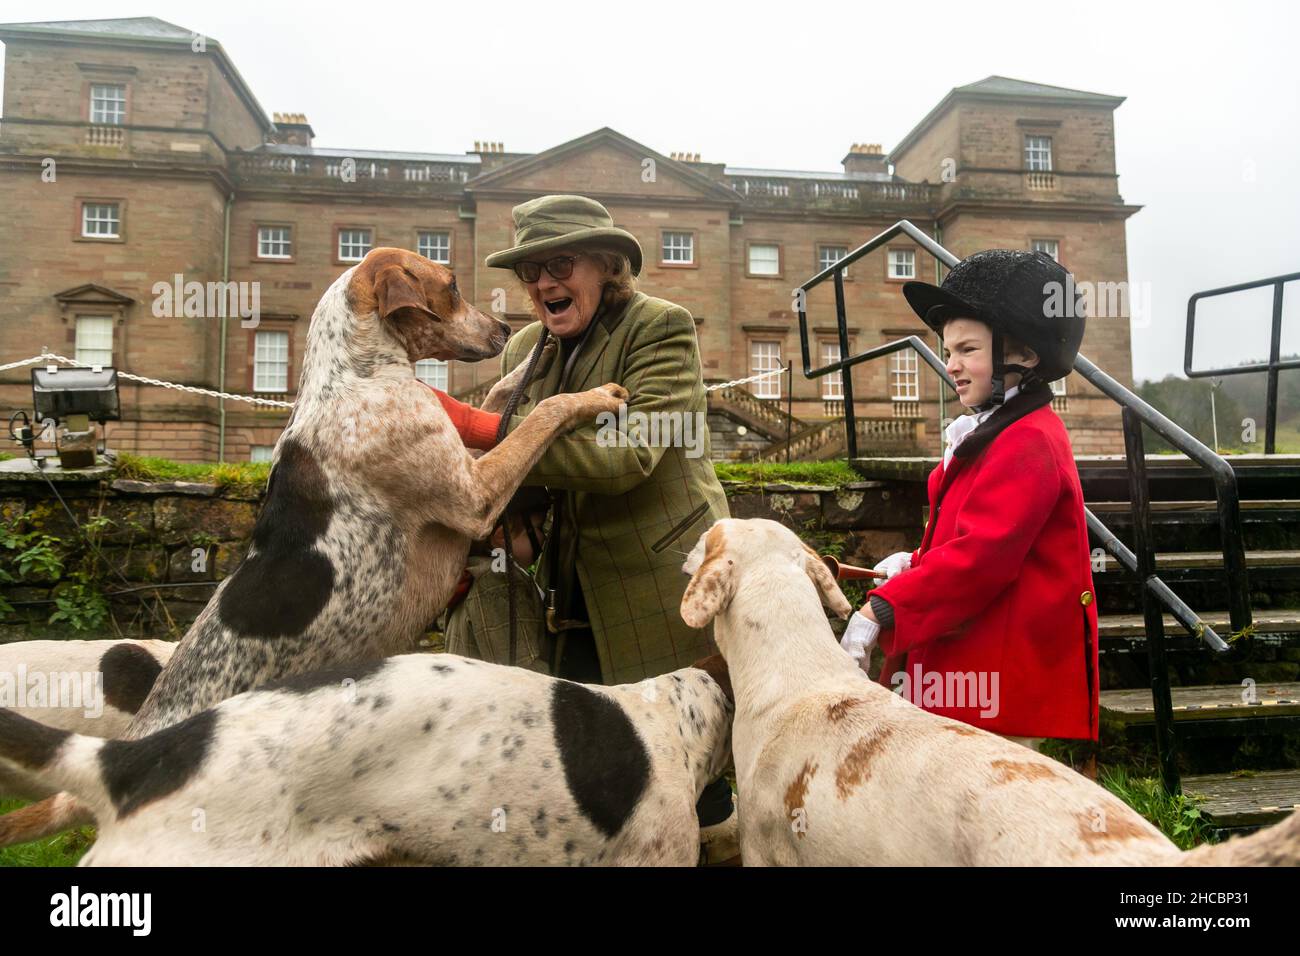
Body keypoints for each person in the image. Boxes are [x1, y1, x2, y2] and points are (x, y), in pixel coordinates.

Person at [449, 194, 736, 861]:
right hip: (565, 592)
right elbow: (516, 471)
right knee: (590, 770)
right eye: (531, 272)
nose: (544, 283)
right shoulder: (526, 346)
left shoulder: (658, 326)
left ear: (607, 265)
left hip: (658, 581)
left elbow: (628, 454)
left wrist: (499, 435)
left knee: (691, 781)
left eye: (561, 263)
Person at [840, 249, 1099, 751]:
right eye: (948, 350)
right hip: (972, 669)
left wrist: (881, 611)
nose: (951, 365)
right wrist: (914, 562)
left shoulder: (1030, 438)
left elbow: (981, 559)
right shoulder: (998, 429)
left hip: (998, 682)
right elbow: (962, 537)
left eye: (967, 350)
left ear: (1023, 354)